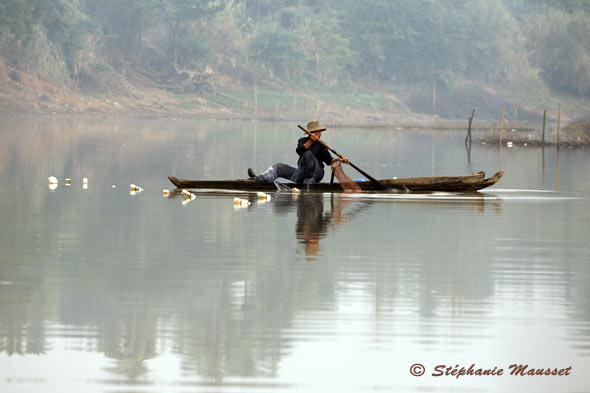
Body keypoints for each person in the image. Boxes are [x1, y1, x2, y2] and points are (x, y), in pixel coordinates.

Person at [247, 120, 349, 184]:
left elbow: (329, 161)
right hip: (302, 173)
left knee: (309, 155)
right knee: (279, 167)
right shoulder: (303, 141)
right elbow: (299, 151)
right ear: (312, 133)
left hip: (317, 174)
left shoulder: (322, 145)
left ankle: (309, 182)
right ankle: (259, 179)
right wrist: (311, 141)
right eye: (318, 131)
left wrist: (340, 159)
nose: (320, 133)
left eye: (320, 131)